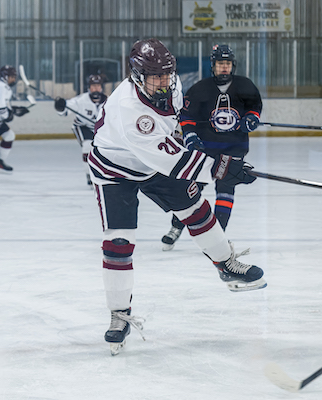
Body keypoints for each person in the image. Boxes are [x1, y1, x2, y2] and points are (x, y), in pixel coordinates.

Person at [88, 38, 266, 355]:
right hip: (115, 169)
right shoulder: (130, 110)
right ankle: (119, 314)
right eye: (155, 76)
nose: (163, 81)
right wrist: (224, 167)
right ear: (137, 75)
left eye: (166, 74)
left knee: (196, 209)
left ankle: (226, 264)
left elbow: (175, 125)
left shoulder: (170, 85)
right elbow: (177, 162)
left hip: (152, 156)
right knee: (118, 241)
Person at [161, 44, 262, 251]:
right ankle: (175, 227)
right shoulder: (200, 88)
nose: (223, 68)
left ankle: (218, 238)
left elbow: (255, 107)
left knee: (226, 189)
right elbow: (187, 116)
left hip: (234, 148)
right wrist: (189, 134)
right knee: (191, 190)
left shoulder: (245, 85)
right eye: (219, 64)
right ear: (213, 66)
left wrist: (252, 118)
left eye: (227, 64)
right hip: (206, 148)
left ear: (232, 65)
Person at [54, 74, 107, 185]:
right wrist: (60, 107)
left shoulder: (109, 101)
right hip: (83, 127)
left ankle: (102, 172)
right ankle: (89, 174)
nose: (96, 88)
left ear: (102, 87)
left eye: (98, 85)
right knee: (87, 146)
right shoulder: (81, 100)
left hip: (100, 129)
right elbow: (64, 111)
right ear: (89, 87)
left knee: (103, 151)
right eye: (93, 86)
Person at [0, 65, 29, 177]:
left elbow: (0, 105)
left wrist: (15, 110)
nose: (14, 79)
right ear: (5, 76)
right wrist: (8, 116)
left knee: (9, 135)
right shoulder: (3, 87)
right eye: (12, 77)